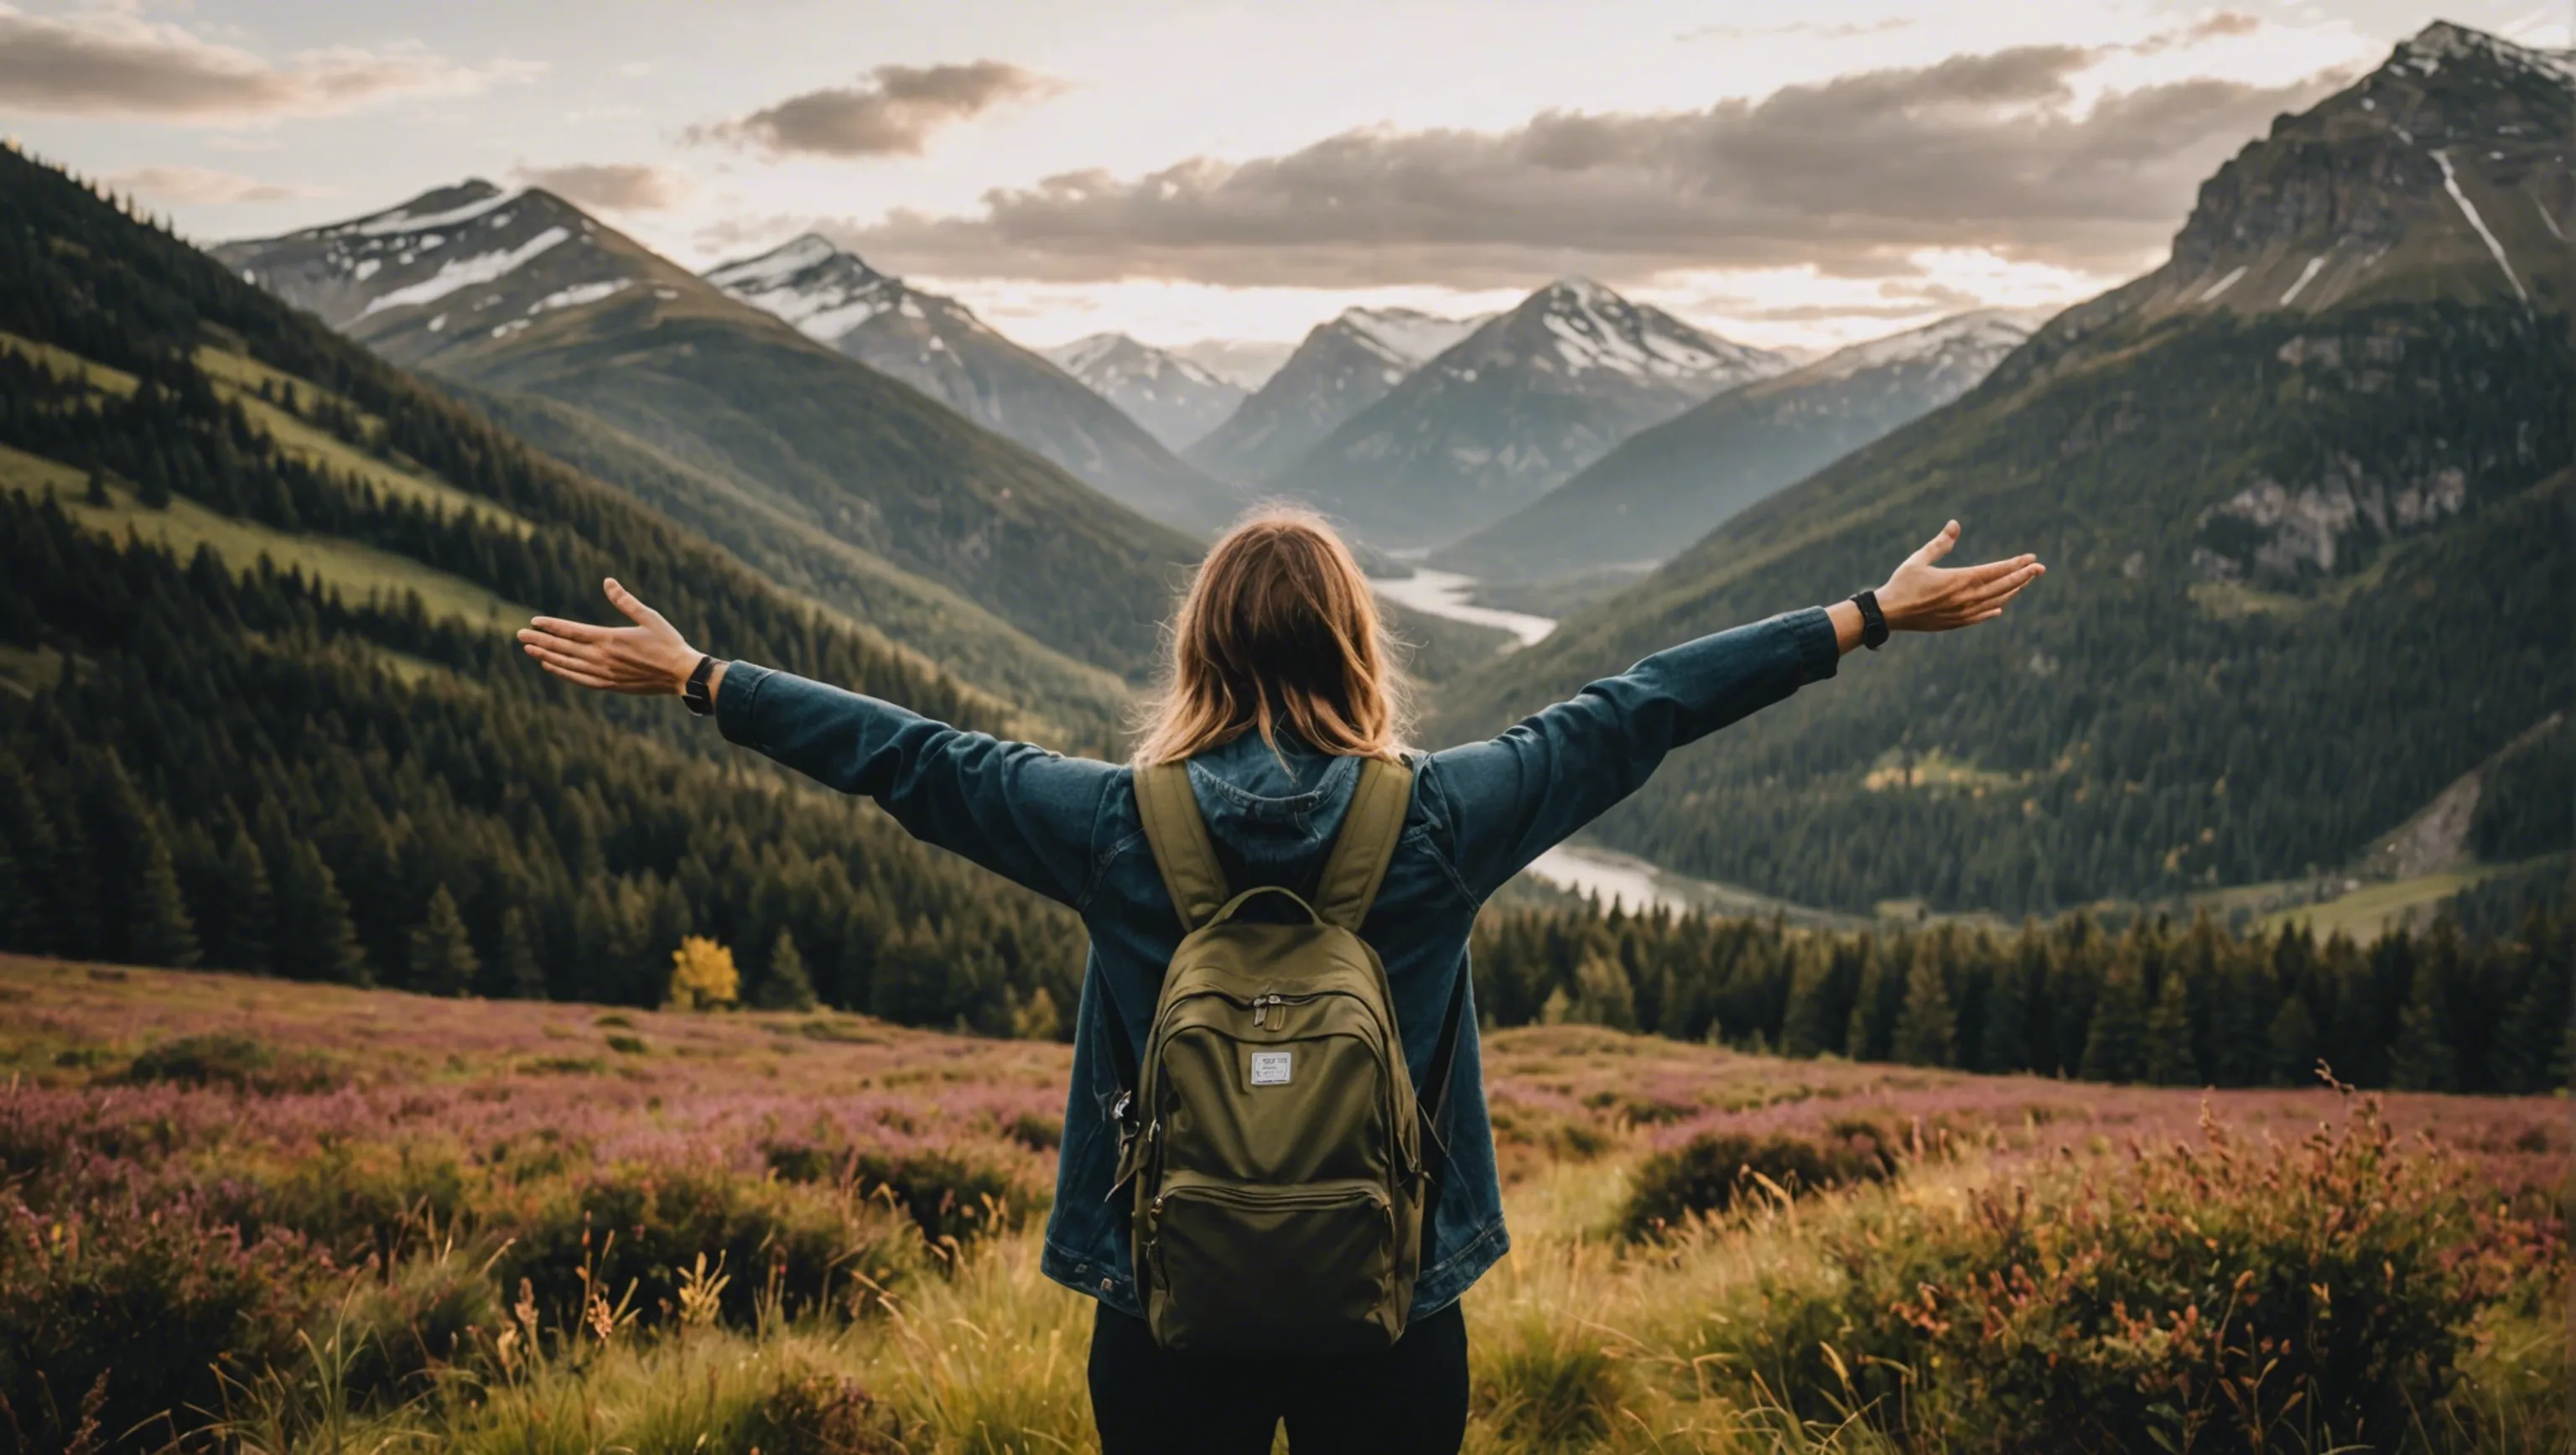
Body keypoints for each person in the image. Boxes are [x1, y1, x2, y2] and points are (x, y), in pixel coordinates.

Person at [517, 509, 2042, 1453]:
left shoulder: (1116, 824)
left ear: (1198, 648)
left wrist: (706, 675)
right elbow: (1635, 710)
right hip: (1396, 1295)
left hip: (1160, 1295)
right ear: (1358, 643)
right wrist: (1863, 614)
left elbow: (912, 759)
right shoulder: (1444, 815)